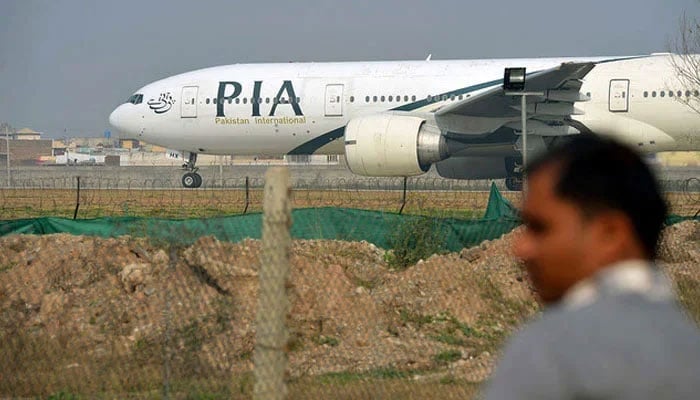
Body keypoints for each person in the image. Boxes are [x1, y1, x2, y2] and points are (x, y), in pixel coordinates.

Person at [483, 135, 700, 400]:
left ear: (611, 235)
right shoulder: (687, 346)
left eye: (540, 228)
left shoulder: (549, 350)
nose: (520, 248)